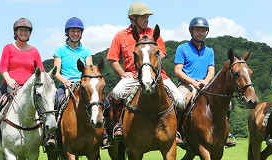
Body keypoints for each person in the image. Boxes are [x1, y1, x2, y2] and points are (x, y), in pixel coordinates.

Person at [105, 1, 187, 148]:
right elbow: (112, 59)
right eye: (143, 17)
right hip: (133, 75)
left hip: (158, 75)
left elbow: (162, 53)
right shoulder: (121, 36)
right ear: (133, 19)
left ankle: (176, 131)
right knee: (116, 93)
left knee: (180, 100)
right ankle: (118, 125)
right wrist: (123, 73)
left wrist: (149, 61)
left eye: (148, 17)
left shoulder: (153, 33)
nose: (147, 19)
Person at [0, 17, 45, 152]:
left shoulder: (34, 51)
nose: (24, 32)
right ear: (16, 32)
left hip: (28, 89)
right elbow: (3, 68)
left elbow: (41, 71)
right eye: (21, 30)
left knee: (46, 105)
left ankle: (47, 137)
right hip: (9, 85)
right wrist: (9, 79)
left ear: (30, 33)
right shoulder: (8, 48)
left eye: (26, 30)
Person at [172, 17, 237, 147]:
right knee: (179, 101)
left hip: (206, 86)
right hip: (186, 85)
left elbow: (211, 71)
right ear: (191, 31)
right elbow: (178, 71)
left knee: (228, 104)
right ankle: (177, 133)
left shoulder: (209, 51)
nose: (200, 33)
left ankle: (224, 134)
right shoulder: (182, 48)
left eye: (203, 30)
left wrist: (205, 81)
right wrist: (194, 82)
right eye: (198, 30)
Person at [50, 16, 93, 147]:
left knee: (104, 102)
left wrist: (84, 82)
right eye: (73, 31)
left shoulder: (86, 51)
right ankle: (52, 136)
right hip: (65, 85)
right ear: (67, 33)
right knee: (56, 102)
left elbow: (90, 70)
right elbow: (55, 72)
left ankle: (105, 134)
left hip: (82, 85)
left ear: (81, 33)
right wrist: (65, 81)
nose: (75, 34)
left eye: (78, 31)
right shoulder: (60, 50)